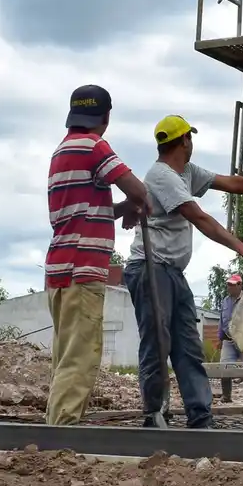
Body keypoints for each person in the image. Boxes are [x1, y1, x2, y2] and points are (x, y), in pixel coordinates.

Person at [125, 114, 243, 429]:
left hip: (172, 272)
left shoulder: (187, 172)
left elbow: (231, 183)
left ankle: (200, 417)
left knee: (188, 345)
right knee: (157, 342)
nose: (192, 143)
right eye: (190, 138)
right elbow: (199, 217)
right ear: (184, 141)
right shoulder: (162, 176)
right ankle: (154, 414)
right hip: (150, 269)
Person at [44, 85, 150, 425]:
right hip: (82, 268)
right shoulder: (94, 146)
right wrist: (139, 203)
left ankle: (56, 429)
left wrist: (123, 209)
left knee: (66, 358)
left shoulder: (61, 151)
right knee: (80, 360)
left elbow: (89, 209)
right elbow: (137, 188)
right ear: (105, 118)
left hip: (59, 268)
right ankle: (61, 436)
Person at [217, 272, 243, 403]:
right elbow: (222, 321)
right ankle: (226, 396)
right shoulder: (225, 301)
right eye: (228, 284)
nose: (229, 287)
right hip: (228, 340)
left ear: (240, 285)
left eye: (232, 285)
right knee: (224, 367)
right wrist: (220, 338)